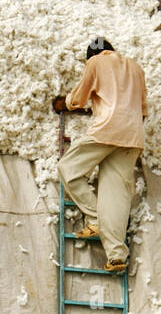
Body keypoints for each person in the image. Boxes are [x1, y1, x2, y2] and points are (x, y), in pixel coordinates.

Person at [53, 38, 147, 272]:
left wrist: (62, 104)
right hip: (133, 136)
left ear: (92, 55)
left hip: (106, 130)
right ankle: (116, 256)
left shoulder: (96, 62)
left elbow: (78, 98)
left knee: (69, 168)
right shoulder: (135, 68)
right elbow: (142, 109)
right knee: (115, 195)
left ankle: (94, 217)